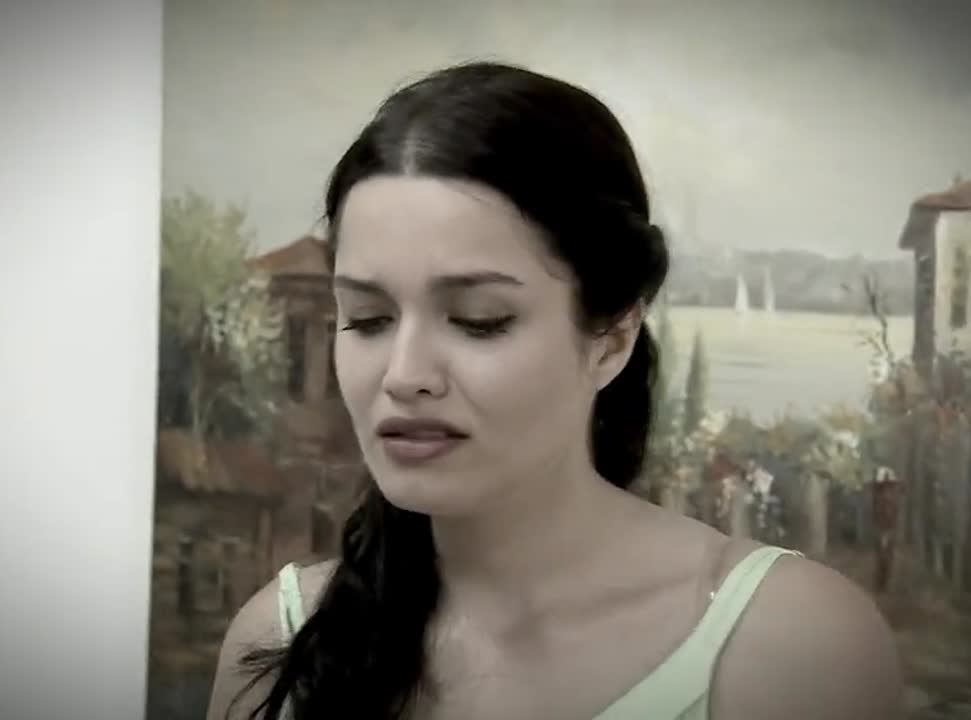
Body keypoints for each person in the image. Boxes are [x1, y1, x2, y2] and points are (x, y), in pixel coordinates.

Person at [207, 61, 903, 720]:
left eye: (479, 320)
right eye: (367, 319)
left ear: (611, 338)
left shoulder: (789, 646)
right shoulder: (280, 645)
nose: (403, 373)